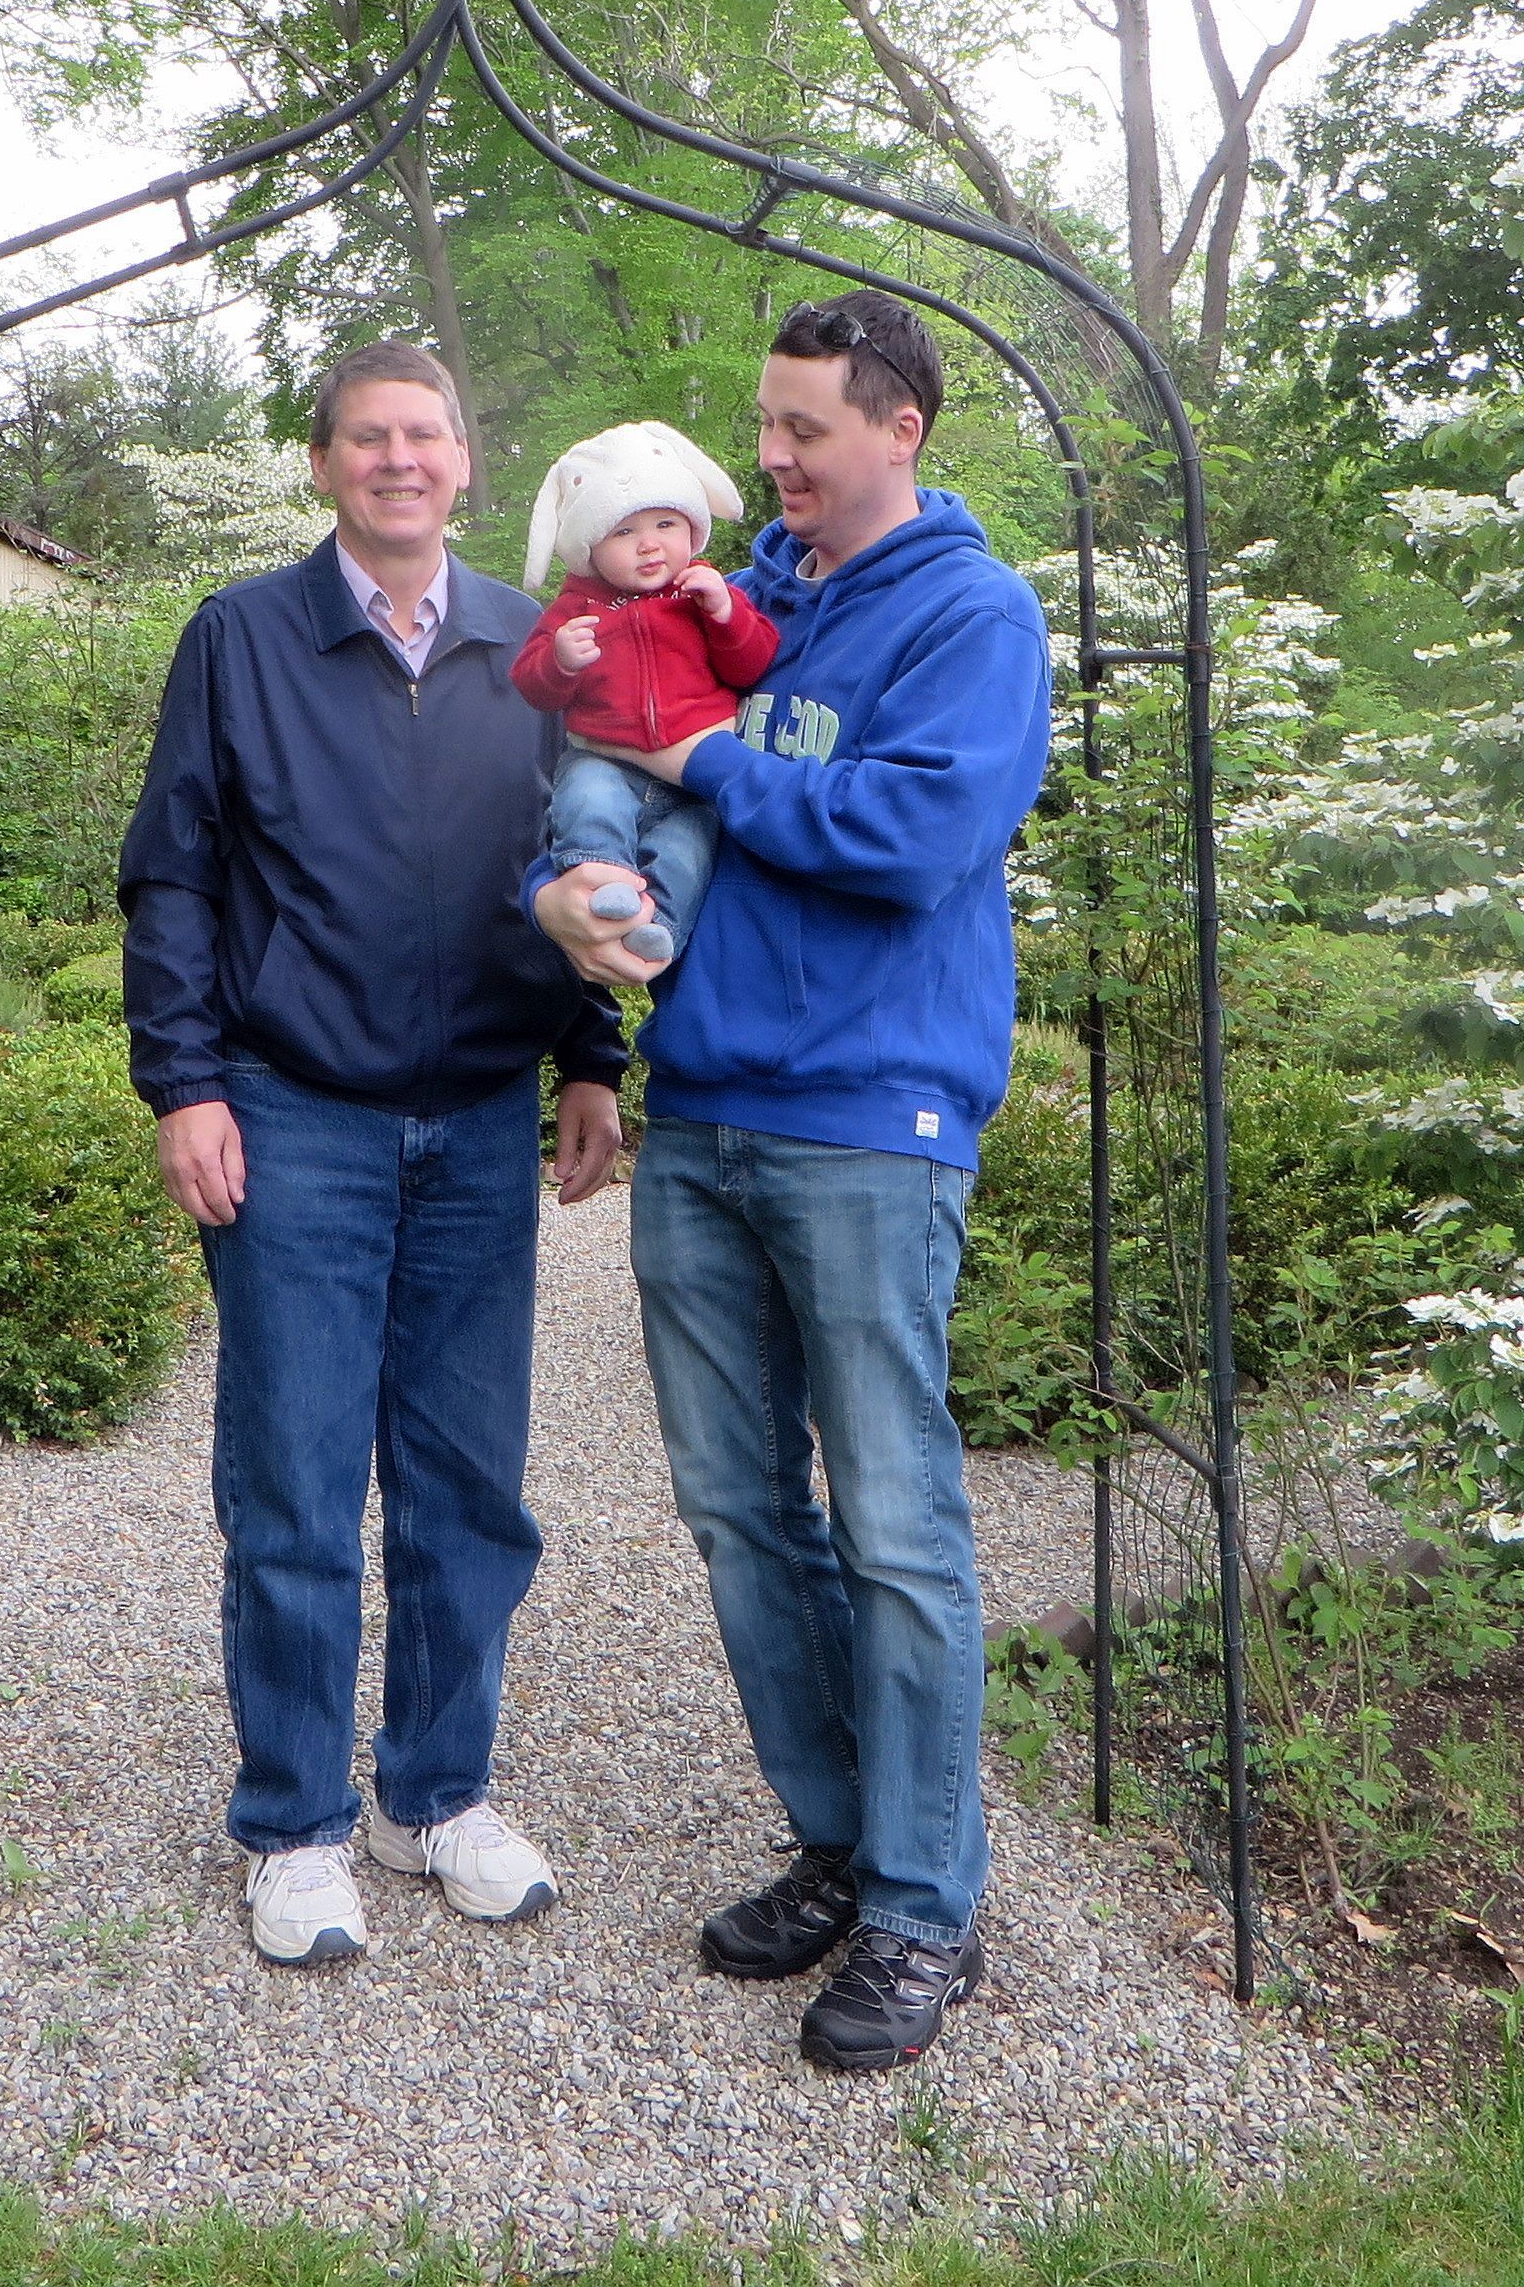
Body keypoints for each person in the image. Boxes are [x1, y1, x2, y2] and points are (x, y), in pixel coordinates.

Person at [530, 291, 1051, 2074]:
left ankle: (925, 1906)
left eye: (803, 430)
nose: (769, 460)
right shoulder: (741, 602)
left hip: (870, 1123)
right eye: (762, 427)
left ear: (902, 428)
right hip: (705, 1115)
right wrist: (565, 892)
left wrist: (701, 758)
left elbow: (912, 839)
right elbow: (609, 779)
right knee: (742, 1513)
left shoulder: (969, 614)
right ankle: (841, 1840)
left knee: (896, 1525)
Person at [121, 340, 630, 1969]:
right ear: (324, 463)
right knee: (294, 1482)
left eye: (425, 433)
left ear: (466, 461)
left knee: (469, 1487)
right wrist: (184, 1083)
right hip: (295, 1116)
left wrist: (590, 1056)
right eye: (366, 437)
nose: (398, 459)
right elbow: (175, 876)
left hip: (478, 1122)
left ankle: (436, 1794)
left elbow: (580, 862)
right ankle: (294, 1823)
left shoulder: (535, 650)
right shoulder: (243, 638)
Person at [508, 418, 783, 966]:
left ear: (693, 528)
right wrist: (560, 660)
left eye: (665, 523)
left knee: (691, 845)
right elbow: (532, 686)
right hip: (608, 757)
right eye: (624, 532)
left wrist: (726, 615)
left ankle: (659, 924)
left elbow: (752, 665)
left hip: (696, 774)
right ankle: (602, 876)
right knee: (588, 798)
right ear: (589, 546)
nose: (649, 544)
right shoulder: (574, 609)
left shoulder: (704, 591)